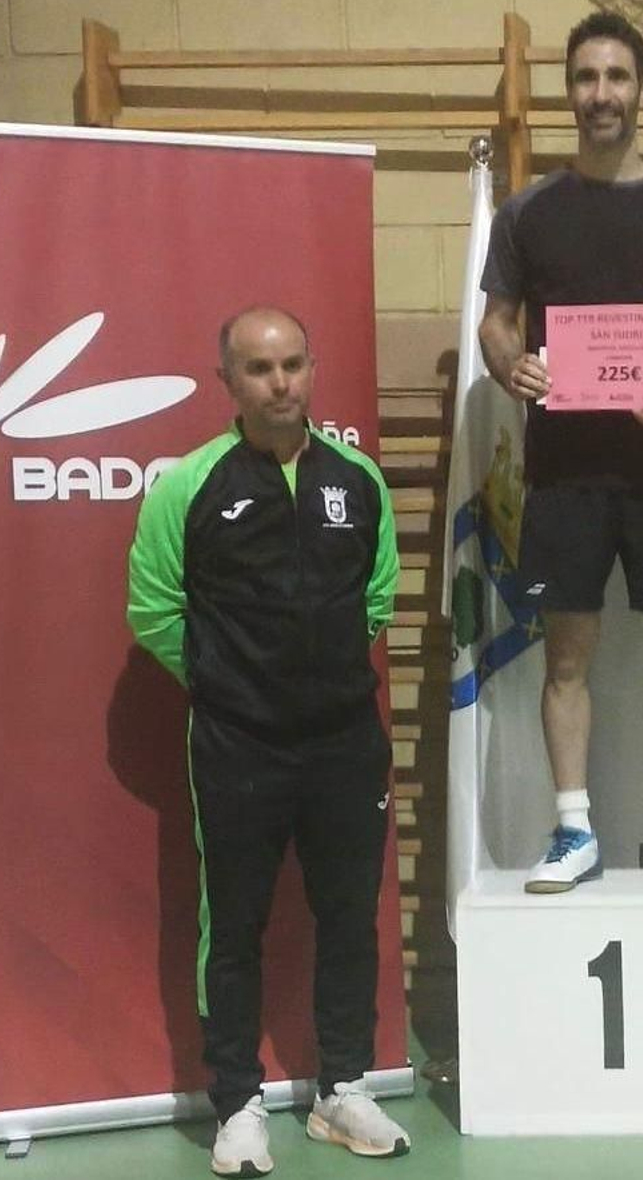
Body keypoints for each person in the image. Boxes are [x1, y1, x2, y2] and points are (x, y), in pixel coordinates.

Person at [127, 308, 409, 1176]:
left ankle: (342, 1088)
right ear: (229, 381)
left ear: (312, 369)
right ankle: (237, 1102)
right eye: (258, 368)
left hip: (344, 741)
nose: (279, 382)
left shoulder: (358, 478)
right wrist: (230, 683)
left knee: (348, 916)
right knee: (236, 924)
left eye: (292, 364)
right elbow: (153, 609)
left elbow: (377, 595)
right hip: (237, 744)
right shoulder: (190, 486)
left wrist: (316, 679)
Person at [478, 10, 643, 894]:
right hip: (563, 471)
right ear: (569, 92)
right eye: (587, 78)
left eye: (617, 77)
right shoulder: (527, 213)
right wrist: (509, 365)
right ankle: (573, 828)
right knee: (565, 656)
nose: (602, 94)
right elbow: (497, 323)